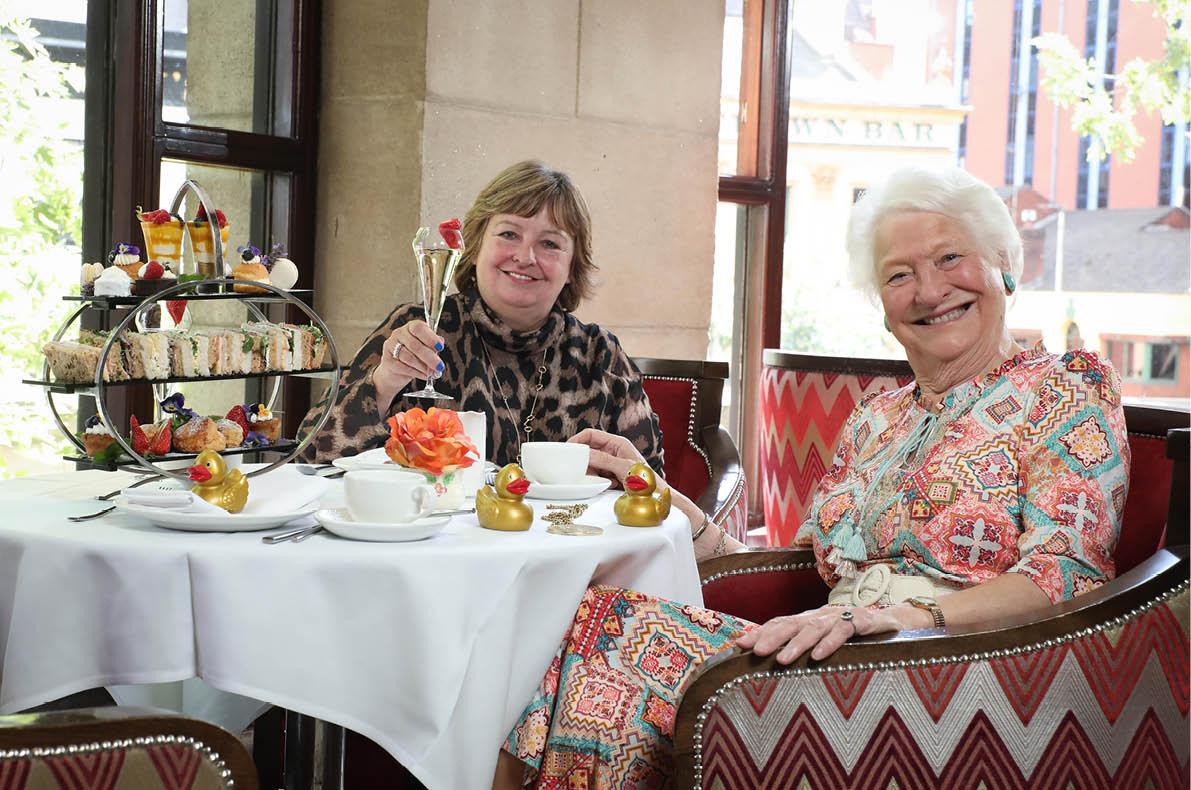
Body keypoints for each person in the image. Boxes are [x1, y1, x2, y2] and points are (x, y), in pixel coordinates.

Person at [493, 165, 1130, 788]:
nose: (929, 291)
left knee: (610, 645)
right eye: (899, 275)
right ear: (884, 308)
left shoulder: (1065, 389)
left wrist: (904, 617)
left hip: (958, 672)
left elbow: (1064, 574)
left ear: (1004, 265)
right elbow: (795, 570)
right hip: (831, 653)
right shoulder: (878, 417)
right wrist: (670, 505)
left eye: (950, 259)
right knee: (587, 619)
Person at [296, 160, 663, 472]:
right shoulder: (420, 330)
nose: (525, 256)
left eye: (549, 243)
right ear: (474, 247)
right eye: (508, 234)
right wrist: (383, 384)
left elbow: (649, 487)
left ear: (572, 266)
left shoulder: (600, 356)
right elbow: (311, 455)